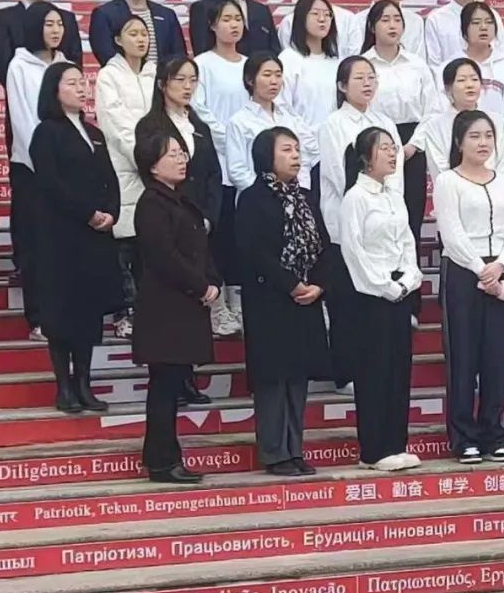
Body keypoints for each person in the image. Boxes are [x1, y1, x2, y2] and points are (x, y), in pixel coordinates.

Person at [236, 127, 331, 477]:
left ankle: (295, 449)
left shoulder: (305, 197)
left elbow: (323, 245)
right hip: (270, 301)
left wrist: (318, 284)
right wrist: (291, 284)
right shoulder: (252, 198)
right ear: (267, 156)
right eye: (286, 150)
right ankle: (275, 452)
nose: (295, 156)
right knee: (273, 379)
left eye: (297, 150)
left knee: (297, 377)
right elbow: (253, 251)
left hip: (305, 300)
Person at [29, 62, 123, 413]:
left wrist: (111, 212)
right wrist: (87, 213)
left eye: (83, 82)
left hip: (95, 237)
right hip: (62, 237)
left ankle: (84, 383)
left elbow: (110, 177)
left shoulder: (93, 132)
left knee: (88, 312)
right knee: (62, 312)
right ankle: (64, 387)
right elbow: (50, 183)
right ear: (54, 90)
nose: (81, 88)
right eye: (72, 83)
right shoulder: (47, 132)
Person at [435, 110, 504, 464]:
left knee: (497, 356)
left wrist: (501, 265)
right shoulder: (448, 181)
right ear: (459, 142)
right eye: (474, 136)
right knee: (463, 355)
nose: (483, 142)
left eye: (488, 135)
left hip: (500, 268)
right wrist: (480, 269)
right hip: (463, 270)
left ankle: (494, 434)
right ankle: (463, 437)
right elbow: (451, 232)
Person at [132, 132, 221, 484]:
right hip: (165, 311)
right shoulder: (152, 204)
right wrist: (200, 286)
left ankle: (165, 457)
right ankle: (161, 461)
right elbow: (164, 256)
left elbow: (200, 249)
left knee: (171, 385)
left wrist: (212, 280)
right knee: (164, 386)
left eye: (182, 152)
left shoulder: (181, 201)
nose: (181, 158)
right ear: (153, 165)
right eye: (172, 154)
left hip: (184, 307)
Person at [136, 59, 223, 391]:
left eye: (193, 80)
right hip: (172, 214)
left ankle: (188, 376)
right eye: (180, 80)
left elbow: (212, 173)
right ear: (163, 84)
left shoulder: (199, 124)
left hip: (198, 219)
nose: (187, 87)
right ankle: (177, 380)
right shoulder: (151, 125)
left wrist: (208, 215)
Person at [339, 127, 422, 471]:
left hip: (400, 291)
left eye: (393, 147)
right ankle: (373, 450)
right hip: (371, 296)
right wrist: (385, 286)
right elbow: (354, 251)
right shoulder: (355, 198)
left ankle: (396, 443)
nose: (392, 153)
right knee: (374, 371)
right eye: (384, 148)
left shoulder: (394, 195)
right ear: (365, 157)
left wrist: (409, 278)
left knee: (399, 370)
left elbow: (407, 242)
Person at [319, 57, 404, 391]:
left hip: (383, 227)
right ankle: (346, 372)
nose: (368, 83)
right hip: (347, 222)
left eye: (372, 77)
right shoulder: (334, 124)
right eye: (359, 78)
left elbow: (395, 172)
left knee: (376, 303)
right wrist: (367, 204)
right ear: (342, 86)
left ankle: (375, 368)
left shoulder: (385, 122)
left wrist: (389, 207)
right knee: (347, 301)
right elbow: (339, 175)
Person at [5, 1, 69, 342]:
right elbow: (23, 119)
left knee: (62, 246)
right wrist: (46, 161)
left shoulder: (66, 64)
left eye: (59, 24)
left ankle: (64, 312)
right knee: (37, 245)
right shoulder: (19, 66)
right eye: (48, 24)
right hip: (32, 168)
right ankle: (39, 318)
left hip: (65, 168)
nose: (56, 30)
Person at [94, 16, 157, 340]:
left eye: (144, 34)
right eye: (133, 34)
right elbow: (114, 122)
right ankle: (125, 312)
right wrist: (143, 157)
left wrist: (160, 158)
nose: (140, 39)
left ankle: (150, 311)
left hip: (157, 168)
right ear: (118, 39)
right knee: (125, 246)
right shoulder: (108, 76)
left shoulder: (154, 74)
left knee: (151, 244)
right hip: (124, 165)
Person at [189, 0, 248, 335]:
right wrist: (233, 137)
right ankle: (218, 306)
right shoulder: (203, 65)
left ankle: (238, 302)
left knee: (242, 237)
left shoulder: (251, 65)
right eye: (226, 19)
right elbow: (201, 112)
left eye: (237, 19)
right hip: (217, 160)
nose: (233, 25)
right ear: (212, 25)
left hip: (249, 162)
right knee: (219, 235)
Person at [360, 0, 439, 247]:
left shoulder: (416, 64)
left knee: (412, 210)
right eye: (385, 20)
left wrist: (412, 146)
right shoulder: (363, 64)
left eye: (397, 20)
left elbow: (432, 110)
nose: (392, 25)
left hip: (412, 143)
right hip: (374, 142)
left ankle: (410, 269)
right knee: (378, 210)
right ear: (372, 26)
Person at [226, 52, 319, 194]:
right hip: (258, 198)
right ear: (250, 80)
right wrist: (267, 193)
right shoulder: (239, 121)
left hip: (295, 195)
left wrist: (302, 188)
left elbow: (306, 154)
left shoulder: (289, 116)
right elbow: (237, 171)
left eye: (278, 75)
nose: (274, 81)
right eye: (267, 75)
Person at [406, 58, 504, 183]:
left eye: (474, 79)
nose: (469, 85)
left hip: (494, 188)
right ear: (448, 88)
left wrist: (490, 184)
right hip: (453, 190)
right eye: (461, 80)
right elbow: (439, 170)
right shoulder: (435, 126)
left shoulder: (498, 121)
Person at [435, 1, 504, 122]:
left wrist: (501, 133)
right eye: (476, 23)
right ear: (464, 30)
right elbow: (443, 107)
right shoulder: (448, 68)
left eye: (489, 22)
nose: (483, 27)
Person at [277, 0, 342, 134]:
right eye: (315, 14)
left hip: (333, 137)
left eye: (327, 14)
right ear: (301, 18)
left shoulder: (336, 62)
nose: (322, 19)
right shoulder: (289, 59)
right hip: (299, 137)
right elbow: (281, 106)